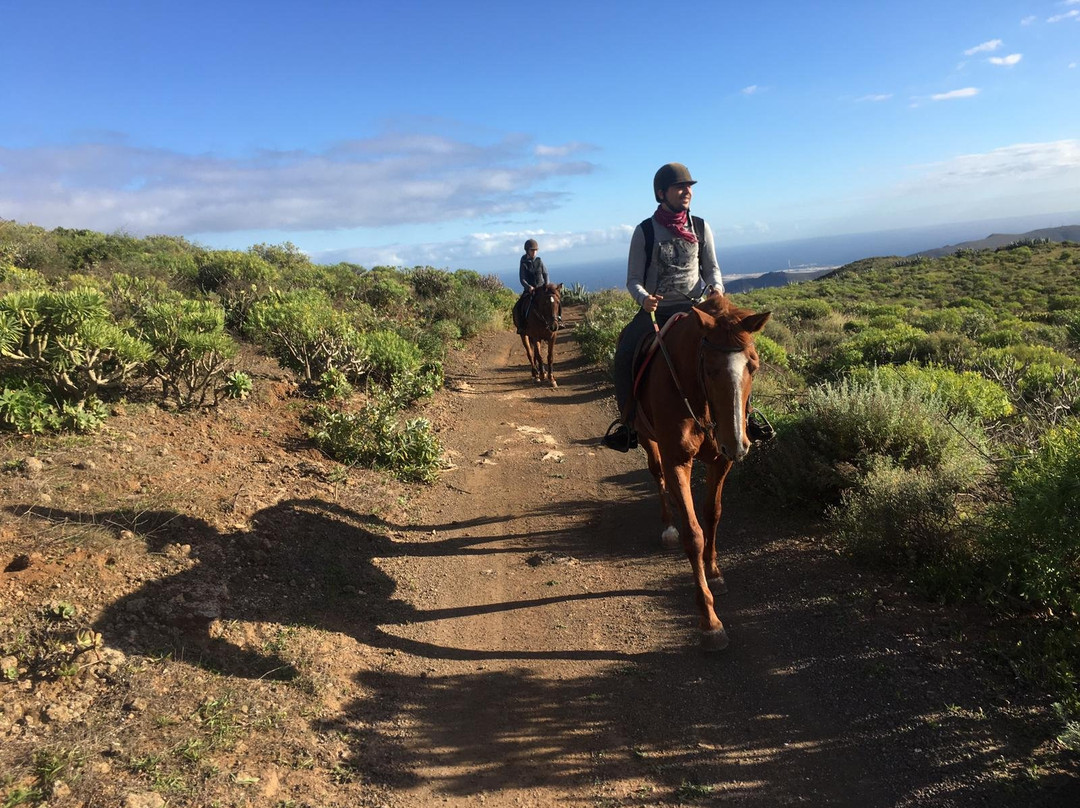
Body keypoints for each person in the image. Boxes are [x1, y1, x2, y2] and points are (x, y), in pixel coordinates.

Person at [602, 163, 772, 451]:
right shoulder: (645, 231)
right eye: (680, 186)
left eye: (689, 186)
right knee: (627, 349)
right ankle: (628, 423)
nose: (687, 191)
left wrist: (716, 286)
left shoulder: (702, 227)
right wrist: (644, 298)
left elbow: (712, 268)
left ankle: (748, 417)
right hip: (658, 310)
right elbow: (633, 279)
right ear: (661, 193)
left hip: (699, 310)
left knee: (736, 353)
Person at [514, 238, 561, 335]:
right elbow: (522, 278)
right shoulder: (523, 263)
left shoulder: (539, 261)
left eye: (535, 250)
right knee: (518, 306)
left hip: (542, 289)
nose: (534, 252)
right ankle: (521, 327)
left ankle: (559, 320)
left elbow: (546, 274)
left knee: (556, 301)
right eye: (532, 250)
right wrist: (528, 287)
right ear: (527, 250)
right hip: (530, 290)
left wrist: (547, 285)